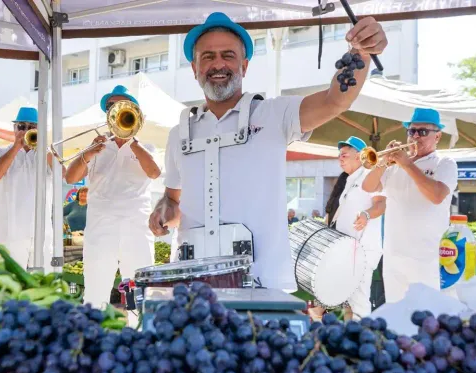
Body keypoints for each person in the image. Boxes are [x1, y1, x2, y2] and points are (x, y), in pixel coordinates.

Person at [149, 12, 388, 291]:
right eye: (208, 56)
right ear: (194, 67)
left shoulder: (274, 114)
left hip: (262, 284)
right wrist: (163, 211)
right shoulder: (179, 134)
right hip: (192, 283)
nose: (218, 64)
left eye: (228, 55)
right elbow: (173, 202)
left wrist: (361, 51)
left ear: (245, 65)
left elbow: (334, 101)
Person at [65, 85, 161, 308]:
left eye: (120, 106)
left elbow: (154, 172)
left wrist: (130, 141)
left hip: (136, 226)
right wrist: (87, 154)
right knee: (95, 290)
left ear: (133, 112)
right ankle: (93, 337)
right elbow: (70, 177)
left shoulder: (145, 147)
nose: (114, 109)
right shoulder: (96, 146)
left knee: (139, 293)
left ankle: (138, 335)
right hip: (100, 228)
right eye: (110, 106)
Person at [362, 108, 458, 303]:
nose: (415, 136)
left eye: (422, 132)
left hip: (426, 257)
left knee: (426, 317)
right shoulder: (395, 166)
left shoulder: (445, 163)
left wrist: (407, 164)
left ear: (437, 136)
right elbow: (368, 186)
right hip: (393, 256)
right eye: (411, 131)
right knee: (396, 315)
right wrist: (383, 161)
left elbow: (437, 195)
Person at [0, 107, 64, 271]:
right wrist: (16, 147)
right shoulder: (0, 152)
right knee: (9, 281)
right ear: (14, 129)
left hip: (41, 232)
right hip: (9, 231)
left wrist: (45, 148)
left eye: (31, 127)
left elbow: (63, 175)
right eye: (21, 126)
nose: (25, 130)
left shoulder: (46, 153)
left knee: (44, 280)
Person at [331, 136, 385, 318]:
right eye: (339, 155)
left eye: (344, 155)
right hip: (347, 249)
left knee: (359, 303)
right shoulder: (348, 179)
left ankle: (364, 340)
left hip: (362, 249)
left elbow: (381, 205)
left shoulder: (371, 174)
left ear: (359, 157)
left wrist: (366, 215)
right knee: (348, 303)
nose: (340, 158)